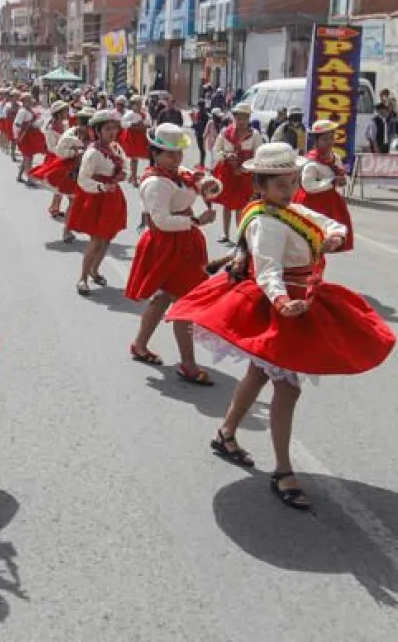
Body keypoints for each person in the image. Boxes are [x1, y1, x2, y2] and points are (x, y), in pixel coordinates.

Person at [167, 143, 395, 510]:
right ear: (260, 186)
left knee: (259, 374)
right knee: (287, 390)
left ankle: (226, 433)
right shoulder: (264, 222)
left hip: (300, 298)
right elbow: (268, 269)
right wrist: (281, 301)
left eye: (291, 183)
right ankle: (283, 469)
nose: (288, 191)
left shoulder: (289, 210)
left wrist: (333, 235)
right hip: (283, 305)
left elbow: (325, 222)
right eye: (280, 185)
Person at [125, 124, 222, 383]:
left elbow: (198, 179)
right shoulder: (156, 182)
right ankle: (188, 363)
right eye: (170, 154)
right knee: (184, 300)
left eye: (178, 153)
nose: (176, 158)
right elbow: (161, 221)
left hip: (182, 243)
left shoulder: (175, 173)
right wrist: (196, 221)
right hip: (167, 244)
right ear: (155, 153)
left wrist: (208, 183)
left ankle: (140, 344)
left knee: (166, 297)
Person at [67, 109, 128, 296]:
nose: (112, 132)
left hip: (112, 197)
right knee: (96, 240)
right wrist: (102, 186)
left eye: (115, 128)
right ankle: (82, 278)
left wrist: (121, 175)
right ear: (98, 130)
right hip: (98, 198)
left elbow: (122, 166)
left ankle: (95, 270)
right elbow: (83, 180)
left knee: (107, 239)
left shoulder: (115, 148)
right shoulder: (92, 153)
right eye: (108, 129)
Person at [293, 120, 354, 252]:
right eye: (325, 139)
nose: (329, 142)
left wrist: (342, 181)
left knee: (328, 236)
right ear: (316, 141)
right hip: (312, 202)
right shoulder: (311, 162)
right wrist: (331, 182)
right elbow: (308, 185)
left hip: (330, 201)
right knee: (310, 236)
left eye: (331, 138)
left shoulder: (335, 157)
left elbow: (339, 173)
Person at [212, 103, 264, 243]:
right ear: (234, 117)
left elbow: (258, 156)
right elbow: (216, 151)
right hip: (228, 173)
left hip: (245, 174)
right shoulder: (225, 133)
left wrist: (246, 168)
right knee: (227, 204)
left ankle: (240, 234)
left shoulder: (255, 135)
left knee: (242, 205)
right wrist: (225, 155)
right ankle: (225, 234)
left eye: (244, 118)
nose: (241, 121)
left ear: (249, 118)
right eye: (238, 118)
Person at [119, 96, 151, 185]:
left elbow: (148, 123)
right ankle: (134, 178)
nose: (139, 105)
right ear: (132, 105)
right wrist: (133, 125)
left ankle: (134, 176)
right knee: (134, 158)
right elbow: (123, 123)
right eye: (136, 104)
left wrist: (144, 125)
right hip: (132, 138)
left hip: (141, 137)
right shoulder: (129, 114)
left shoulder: (144, 113)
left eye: (140, 103)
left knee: (145, 156)